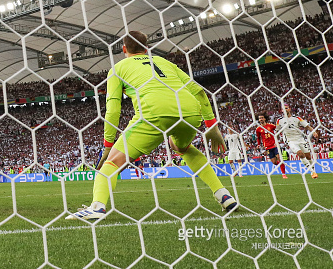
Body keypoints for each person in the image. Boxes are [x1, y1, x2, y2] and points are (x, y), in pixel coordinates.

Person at [66, 31, 237, 221]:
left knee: (112, 164)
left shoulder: (118, 68)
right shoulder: (165, 62)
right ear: (146, 48)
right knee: (181, 147)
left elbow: (113, 110)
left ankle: (97, 207)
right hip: (190, 112)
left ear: (124, 49)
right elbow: (198, 91)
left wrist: (108, 145)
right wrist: (212, 125)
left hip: (153, 113)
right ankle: (223, 195)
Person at [276, 104, 319, 179]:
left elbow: (307, 126)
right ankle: (312, 171)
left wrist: (314, 132)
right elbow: (276, 130)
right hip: (290, 140)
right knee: (300, 153)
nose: (285, 110)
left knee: (308, 155)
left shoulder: (297, 118)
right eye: (283, 109)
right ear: (282, 111)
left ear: (289, 109)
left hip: (300, 139)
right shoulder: (279, 120)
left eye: (286, 108)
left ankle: (313, 170)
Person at [256, 113, 286, 178]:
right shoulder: (258, 129)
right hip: (267, 147)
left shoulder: (271, 125)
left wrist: (279, 138)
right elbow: (258, 137)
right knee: (274, 162)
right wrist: (258, 144)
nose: (261, 119)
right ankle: (282, 165)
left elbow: (278, 130)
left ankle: (283, 174)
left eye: (262, 118)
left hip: (274, 145)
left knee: (279, 158)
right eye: (260, 118)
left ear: (265, 118)